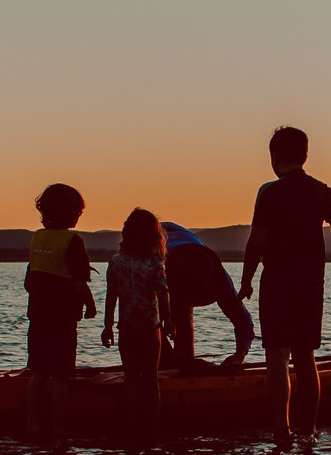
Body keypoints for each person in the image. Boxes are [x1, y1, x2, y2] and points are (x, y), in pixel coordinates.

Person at [239, 126, 331, 439]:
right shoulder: (322, 191)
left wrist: (246, 280)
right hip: (310, 283)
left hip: (277, 281)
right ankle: (310, 429)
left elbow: (256, 242)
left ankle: (282, 428)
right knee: (305, 357)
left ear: (275, 157)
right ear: (305, 155)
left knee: (277, 356)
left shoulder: (270, 192)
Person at [24, 183, 96, 439]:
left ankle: (32, 426)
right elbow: (79, 281)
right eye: (77, 210)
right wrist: (91, 305)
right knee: (61, 376)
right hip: (63, 319)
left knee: (39, 374)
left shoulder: (37, 238)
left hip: (38, 316)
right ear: (68, 212)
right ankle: (58, 429)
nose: (79, 215)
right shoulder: (73, 241)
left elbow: (29, 280)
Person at [102, 208, 171, 440]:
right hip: (151, 327)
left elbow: (111, 295)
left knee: (131, 378)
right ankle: (152, 429)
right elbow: (163, 293)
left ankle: (132, 427)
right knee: (151, 380)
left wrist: (108, 325)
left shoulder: (116, 262)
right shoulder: (154, 262)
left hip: (127, 327)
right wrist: (168, 321)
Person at [160, 221, 255, 373]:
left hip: (182, 252)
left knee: (183, 333)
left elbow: (244, 321)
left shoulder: (220, 279)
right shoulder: (154, 270)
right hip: (156, 250)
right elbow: (144, 318)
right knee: (161, 350)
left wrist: (239, 355)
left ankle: (183, 361)